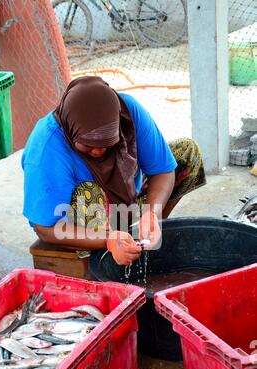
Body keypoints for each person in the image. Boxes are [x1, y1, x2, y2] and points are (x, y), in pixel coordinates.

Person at [22, 76, 206, 266]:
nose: (99, 151)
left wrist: (152, 213)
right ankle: (103, 259)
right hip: (80, 224)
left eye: (108, 143)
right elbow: (45, 228)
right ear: (72, 131)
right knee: (90, 194)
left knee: (186, 153)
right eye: (88, 145)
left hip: (126, 205)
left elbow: (163, 170)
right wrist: (108, 240)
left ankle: (142, 236)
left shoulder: (128, 112)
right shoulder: (46, 146)